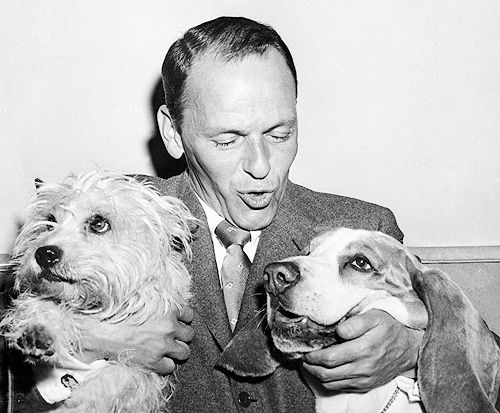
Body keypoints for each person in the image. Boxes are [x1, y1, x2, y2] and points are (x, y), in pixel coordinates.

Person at [4, 16, 499, 413]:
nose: (261, 167)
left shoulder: (364, 228)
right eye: (228, 139)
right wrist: (88, 342)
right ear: (173, 134)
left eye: (279, 134)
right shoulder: (112, 217)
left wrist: (414, 349)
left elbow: (486, 365)